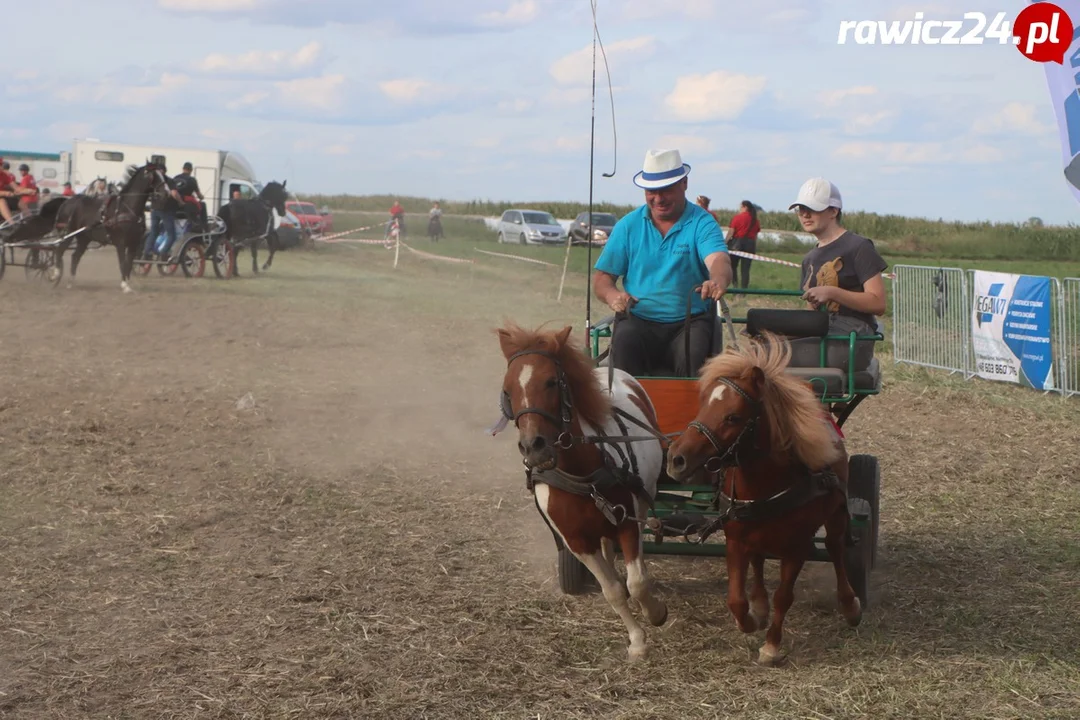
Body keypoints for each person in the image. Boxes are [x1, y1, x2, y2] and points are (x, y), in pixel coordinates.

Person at [592, 148, 732, 378]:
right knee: (624, 347)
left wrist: (717, 280)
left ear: (684, 183)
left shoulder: (702, 223)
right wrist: (612, 296)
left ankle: (688, 412)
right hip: (637, 320)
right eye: (651, 191)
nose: (658, 198)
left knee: (694, 354)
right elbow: (603, 279)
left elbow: (718, 259)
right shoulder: (628, 225)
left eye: (666, 190)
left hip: (690, 322)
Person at [790, 177, 887, 371]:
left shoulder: (859, 247)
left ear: (833, 211)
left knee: (777, 354)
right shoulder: (809, 258)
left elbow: (878, 303)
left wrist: (833, 293)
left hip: (852, 338)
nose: (805, 215)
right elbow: (811, 311)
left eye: (813, 209)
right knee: (763, 340)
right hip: (823, 330)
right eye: (801, 209)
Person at [143, 171, 184, 260]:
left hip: (154, 209)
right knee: (171, 235)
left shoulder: (152, 181)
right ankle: (163, 253)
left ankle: (147, 252)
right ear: (165, 171)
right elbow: (174, 193)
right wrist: (181, 202)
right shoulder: (168, 180)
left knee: (154, 232)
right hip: (166, 210)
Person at [726, 199, 761, 290]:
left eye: (740, 207)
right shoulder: (755, 220)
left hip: (737, 244)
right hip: (750, 245)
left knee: (733, 267)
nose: (739, 209)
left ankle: (735, 286)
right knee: (745, 270)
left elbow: (731, 233)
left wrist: (724, 243)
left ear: (745, 207)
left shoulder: (737, 218)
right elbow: (755, 236)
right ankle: (744, 291)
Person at [174, 162, 207, 231]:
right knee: (203, 205)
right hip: (187, 205)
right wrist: (202, 197)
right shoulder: (192, 180)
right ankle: (204, 226)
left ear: (183, 169)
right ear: (191, 170)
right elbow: (199, 195)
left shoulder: (175, 178)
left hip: (175, 205)